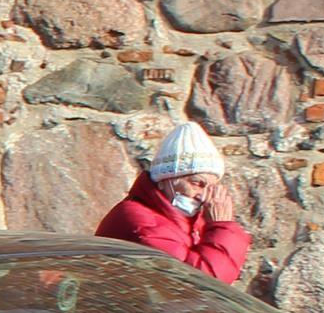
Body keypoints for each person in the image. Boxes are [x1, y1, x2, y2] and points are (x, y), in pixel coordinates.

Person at [98, 120, 252, 281]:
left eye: (211, 188)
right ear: (165, 181)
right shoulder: (138, 220)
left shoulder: (190, 221)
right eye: (196, 183)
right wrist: (222, 228)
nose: (202, 196)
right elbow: (202, 283)